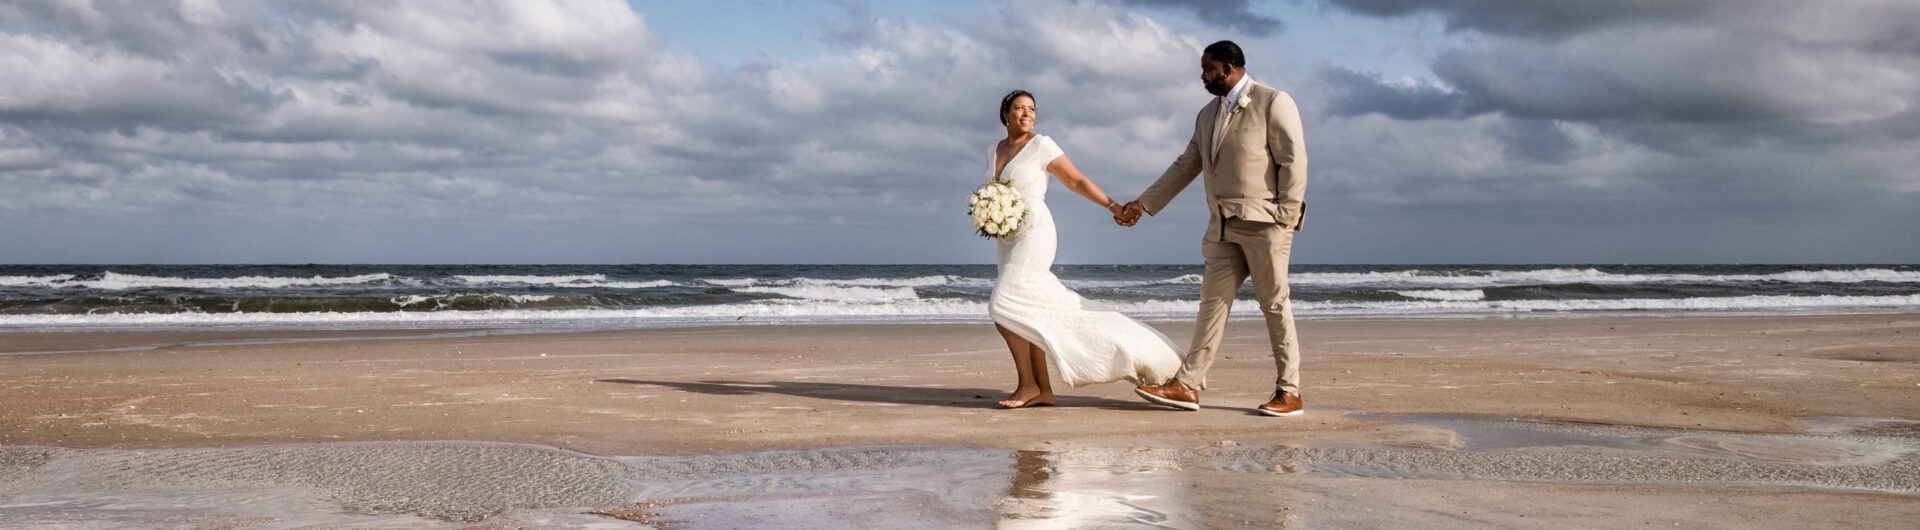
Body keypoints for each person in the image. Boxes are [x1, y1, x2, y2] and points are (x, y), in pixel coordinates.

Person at [1116, 40, 1310, 417]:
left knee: (1273, 304)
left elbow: (1294, 160)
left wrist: (1286, 215)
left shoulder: (1273, 101)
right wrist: (1143, 203)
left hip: (1265, 224)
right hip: (1221, 227)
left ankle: (1290, 391)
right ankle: (1187, 386)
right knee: (1212, 306)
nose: (1202, 76)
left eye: (1208, 69)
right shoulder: (1206, 115)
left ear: (1230, 67)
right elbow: (1186, 165)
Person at [984, 89, 1182, 409]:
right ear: (1005, 114)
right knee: (1028, 309)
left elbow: (1075, 180)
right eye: (1019, 108)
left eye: (1031, 109)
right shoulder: (994, 149)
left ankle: (1027, 384)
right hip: (1007, 237)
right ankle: (1043, 391)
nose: (1026, 114)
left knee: (1002, 305)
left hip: (1035, 231)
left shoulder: (1042, 144)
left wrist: (1113, 206)